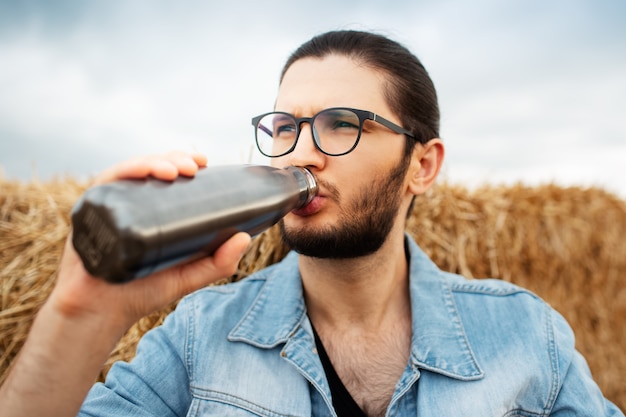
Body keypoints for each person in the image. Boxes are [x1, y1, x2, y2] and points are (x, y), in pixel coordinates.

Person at [0, 30, 622, 417]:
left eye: (340, 124)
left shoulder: (525, 333)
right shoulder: (198, 337)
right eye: (285, 127)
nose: (299, 152)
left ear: (422, 166)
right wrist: (79, 312)